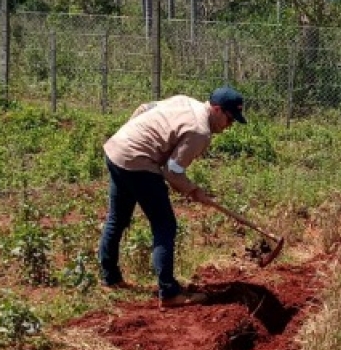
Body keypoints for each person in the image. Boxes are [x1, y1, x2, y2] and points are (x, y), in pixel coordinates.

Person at [99, 86, 246, 309]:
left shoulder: (186, 100)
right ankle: (169, 292)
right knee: (165, 224)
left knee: (117, 219)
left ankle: (110, 278)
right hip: (139, 162)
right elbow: (172, 171)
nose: (230, 126)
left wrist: (131, 136)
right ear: (216, 109)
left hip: (117, 148)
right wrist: (193, 190)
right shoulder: (200, 132)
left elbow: (144, 108)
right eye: (230, 119)